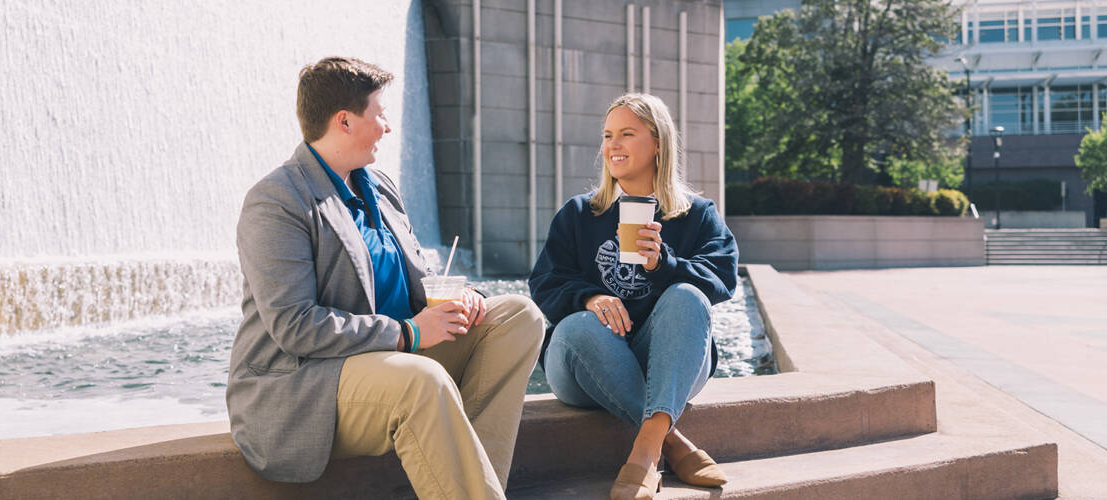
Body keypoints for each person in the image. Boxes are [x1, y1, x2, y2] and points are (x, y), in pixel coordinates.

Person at [227, 56, 545, 499]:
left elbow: (419, 273)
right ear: (345, 121)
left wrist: (462, 296)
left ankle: (472, 487)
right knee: (421, 381)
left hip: (397, 361)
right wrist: (408, 334)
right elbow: (294, 326)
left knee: (519, 316)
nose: (388, 126)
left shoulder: (378, 187)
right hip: (307, 384)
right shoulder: (278, 201)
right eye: (379, 113)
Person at [528, 93, 739, 500]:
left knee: (687, 296)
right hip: (583, 366)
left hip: (669, 361)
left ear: (658, 142)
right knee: (575, 326)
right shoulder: (579, 213)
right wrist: (590, 297)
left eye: (627, 133)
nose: (613, 145)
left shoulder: (696, 215)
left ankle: (645, 452)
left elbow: (722, 278)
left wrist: (665, 264)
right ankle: (671, 441)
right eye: (608, 136)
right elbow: (545, 282)